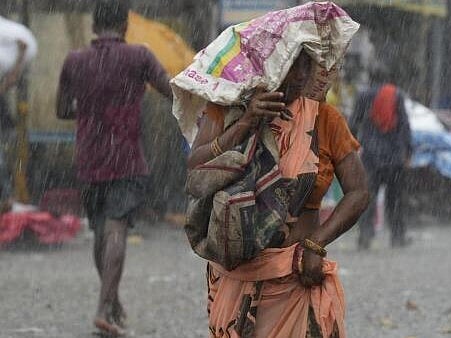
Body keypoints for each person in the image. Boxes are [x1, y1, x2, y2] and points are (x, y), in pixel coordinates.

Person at [188, 48, 369, 337]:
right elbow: (196, 169)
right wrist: (246, 123)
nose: (298, 76)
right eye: (289, 65)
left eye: (305, 67)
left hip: (296, 279)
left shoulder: (324, 119)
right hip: (234, 277)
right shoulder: (228, 108)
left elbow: (359, 192)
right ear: (266, 66)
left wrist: (316, 243)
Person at [56, 0, 172, 335]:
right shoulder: (140, 56)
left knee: (100, 230)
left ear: (94, 26)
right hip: (127, 158)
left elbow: (63, 109)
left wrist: (92, 107)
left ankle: (112, 302)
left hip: (89, 159)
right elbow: (172, 92)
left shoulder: (74, 61)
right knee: (116, 229)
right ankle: (105, 307)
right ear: (124, 26)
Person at [350, 72, 413, 249]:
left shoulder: (363, 96)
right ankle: (398, 236)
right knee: (396, 199)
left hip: (371, 156)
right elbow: (405, 125)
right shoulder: (396, 94)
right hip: (395, 157)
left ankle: (365, 236)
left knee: (368, 198)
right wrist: (408, 151)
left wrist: (350, 147)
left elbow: (353, 124)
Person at [0, 39, 27, 212]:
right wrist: (20, 55)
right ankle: (7, 199)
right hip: (4, 128)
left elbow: (11, 79)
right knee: (2, 164)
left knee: (5, 163)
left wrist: (20, 55)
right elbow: (10, 81)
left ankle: (7, 199)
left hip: (4, 127)